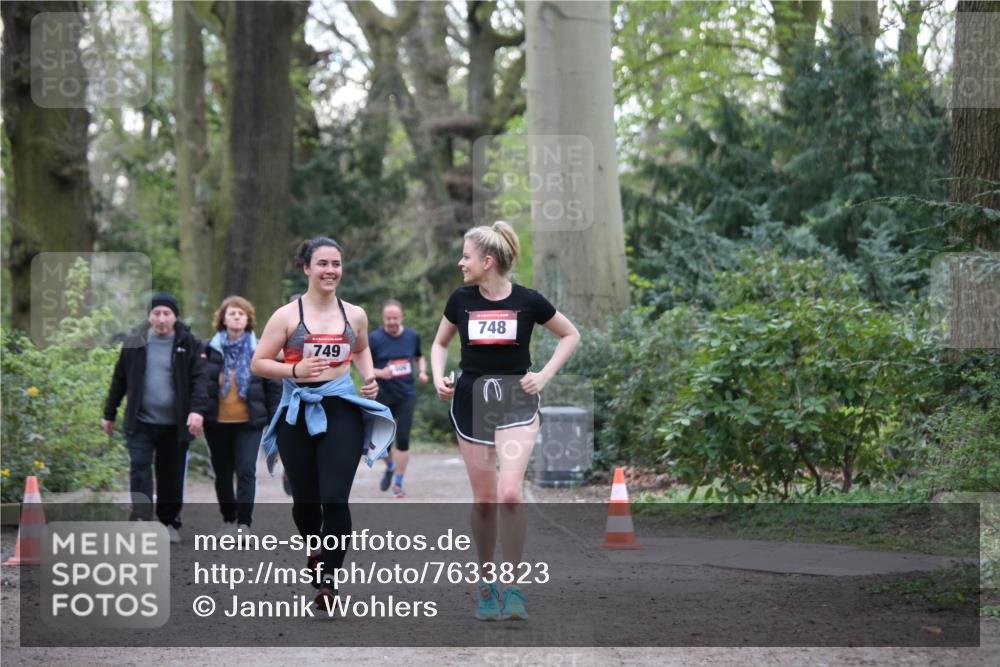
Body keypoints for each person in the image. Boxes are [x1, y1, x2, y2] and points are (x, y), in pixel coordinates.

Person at [431, 221, 580, 621]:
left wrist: (543, 375)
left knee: (510, 493)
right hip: (471, 399)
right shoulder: (460, 299)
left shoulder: (529, 301)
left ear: (487, 261)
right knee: (485, 500)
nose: (461, 263)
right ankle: (486, 585)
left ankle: (514, 589)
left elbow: (570, 335)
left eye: (466, 256)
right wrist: (439, 377)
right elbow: (440, 343)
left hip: (517, 398)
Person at [252, 237, 395, 608]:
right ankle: (314, 549)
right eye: (322, 264)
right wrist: (295, 369)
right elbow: (259, 362)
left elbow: (361, 348)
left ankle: (328, 580)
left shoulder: (355, 314)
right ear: (306, 268)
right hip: (297, 411)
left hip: (341, 408)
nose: (330, 270)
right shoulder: (286, 315)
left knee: (334, 498)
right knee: (305, 502)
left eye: (336, 264)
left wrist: (368, 376)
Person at [103, 293, 208, 544]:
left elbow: (200, 381)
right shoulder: (134, 342)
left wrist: (197, 411)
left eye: (167, 314)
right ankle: (140, 520)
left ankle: (169, 521)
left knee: (171, 474)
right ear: (149, 316)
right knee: (139, 467)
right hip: (141, 421)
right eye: (156, 314)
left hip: (176, 424)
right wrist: (109, 413)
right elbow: (119, 379)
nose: (161, 319)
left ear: (175, 317)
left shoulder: (189, 343)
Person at [199, 296, 280, 535]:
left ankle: (244, 524)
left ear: (248, 320)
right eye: (231, 313)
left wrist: (275, 419)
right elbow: (200, 383)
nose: (236, 317)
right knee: (222, 472)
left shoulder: (261, 350)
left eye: (241, 313)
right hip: (217, 422)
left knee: (246, 469)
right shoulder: (208, 350)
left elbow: (273, 387)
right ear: (222, 319)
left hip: (250, 422)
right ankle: (228, 519)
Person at [368, 299, 428, 498]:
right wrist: (379, 373)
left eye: (395, 318)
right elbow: (364, 365)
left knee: (403, 439)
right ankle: (391, 465)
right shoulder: (374, 338)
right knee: (378, 441)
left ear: (401, 317)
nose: (392, 322)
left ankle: (398, 483)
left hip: (405, 395)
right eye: (388, 319)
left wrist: (422, 371)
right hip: (382, 395)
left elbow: (419, 357)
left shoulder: (412, 336)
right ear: (383, 319)